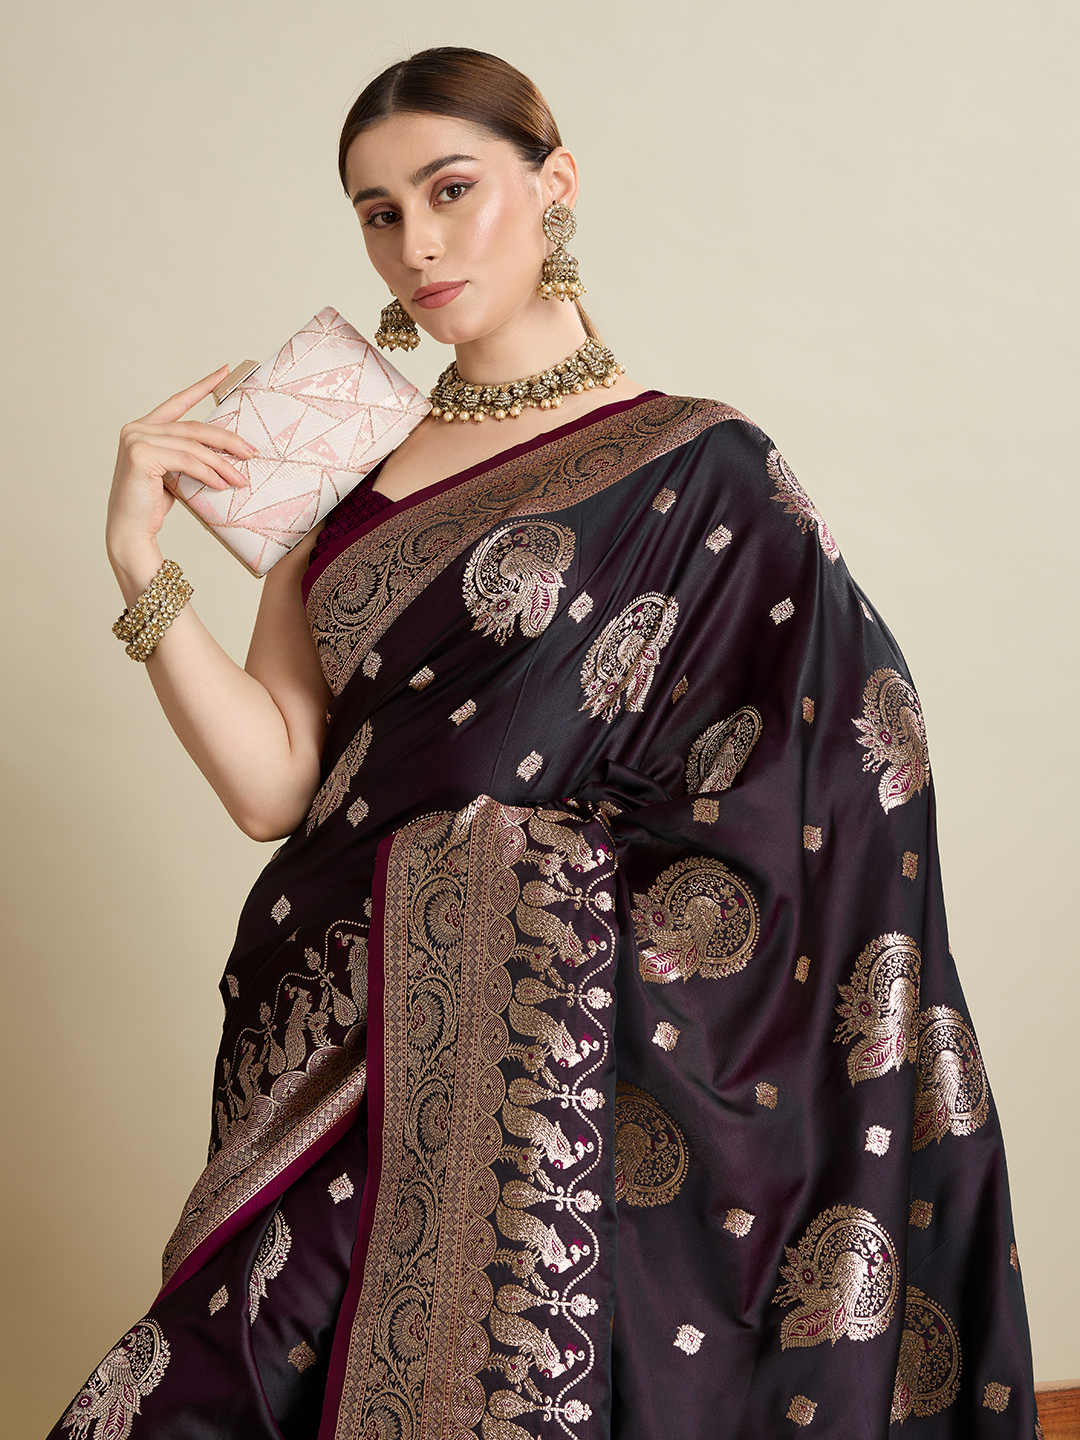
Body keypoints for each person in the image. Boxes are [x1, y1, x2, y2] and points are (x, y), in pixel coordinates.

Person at [50, 46, 1039, 1440]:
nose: (418, 243)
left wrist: (507, 885)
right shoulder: (343, 478)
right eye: (379, 213)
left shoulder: (705, 466)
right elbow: (276, 784)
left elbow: (840, 785)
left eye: (450, 189)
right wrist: (138, 562)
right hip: (342, 1034)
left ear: (554, 182)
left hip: (549, 1045)